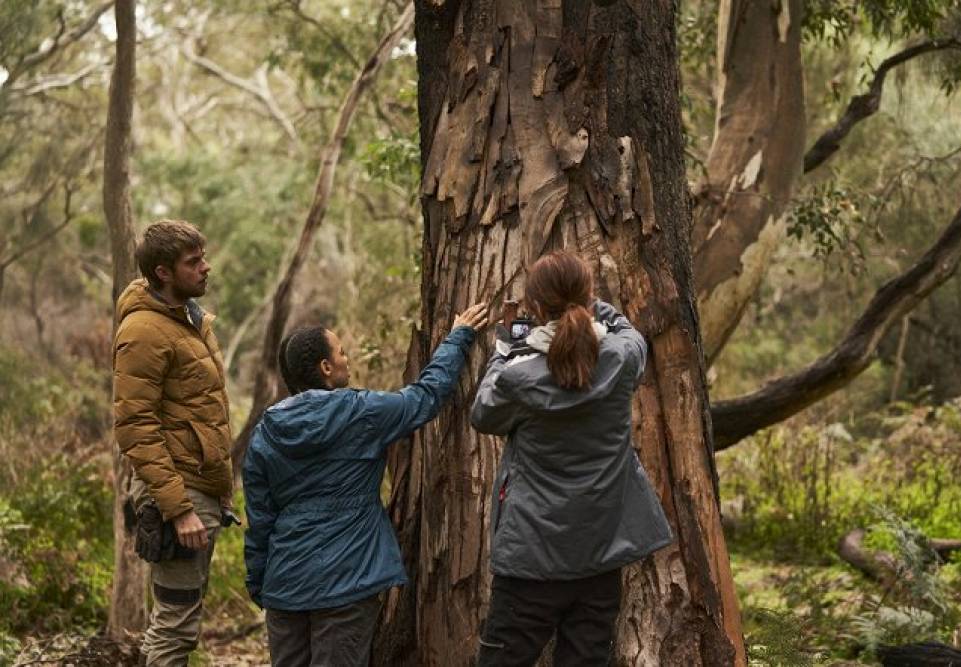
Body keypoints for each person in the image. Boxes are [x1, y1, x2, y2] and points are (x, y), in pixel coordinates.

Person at [243, 302, 489, 667]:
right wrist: (457, 339)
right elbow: (425, 396)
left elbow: (260, 518)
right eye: (341, 352)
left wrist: (260, 582)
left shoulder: (265, 432)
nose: (347, 358)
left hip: (286, 585)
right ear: (326, 368)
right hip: (347, 581)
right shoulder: (362, 412)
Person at [471, 251, 674, 666]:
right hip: (599, 556)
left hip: (530, 559)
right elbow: (628, 331)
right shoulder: (620, 359)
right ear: (588, 298)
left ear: (536, 308)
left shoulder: (517, 378)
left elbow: (483, 413)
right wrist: (588, 303)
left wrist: (505, 346)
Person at [113, 220, 237, 665]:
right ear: (163, 272)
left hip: (198, 488)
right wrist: (179, 508)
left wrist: (218, 490)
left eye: (203, 257)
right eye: (194, 262)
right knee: (176, 625)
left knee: (175, 618)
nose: (206, 268)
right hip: (177, 495)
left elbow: (199, 411)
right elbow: (135, 426)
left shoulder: (187, 321)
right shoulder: (145, 330)